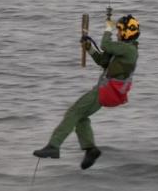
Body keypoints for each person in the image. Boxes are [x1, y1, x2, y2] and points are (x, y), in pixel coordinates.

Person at [33, 14, 140, 170]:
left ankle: (53, 146)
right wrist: (89, 48)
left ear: (126, 32)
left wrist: (108, 28)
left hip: (105, 91)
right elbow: (103, 61)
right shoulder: (122, 49)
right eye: (116, 30)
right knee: (81, 117)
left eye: (119, 30)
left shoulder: (129, 50)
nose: (117, 33)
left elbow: (105, 44)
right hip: (106, 92)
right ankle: (91, 150)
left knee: (73, 112)